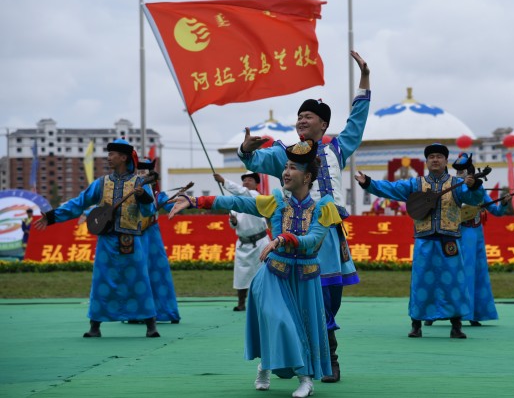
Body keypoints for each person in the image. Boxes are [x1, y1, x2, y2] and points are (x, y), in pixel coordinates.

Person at [237, 50, 370, 382]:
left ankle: (324, 349)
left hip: (326, 235)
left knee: (330, 296)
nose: (302, 121)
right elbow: (253, 162)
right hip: (291, 234)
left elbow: (357, 120)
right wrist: (247, 150)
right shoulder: (283, 154)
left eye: (309, 116)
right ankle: (319, 358)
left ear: (323, 124)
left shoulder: (336, 149)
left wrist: (365, 78)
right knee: (300, 295)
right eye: (299, 116)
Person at [169, 138, 337, 398]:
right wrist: (195, 202)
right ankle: (277, 369)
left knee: (301, 327)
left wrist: (283, 239)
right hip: (273, 275)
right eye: (286, 166)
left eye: (293, 168)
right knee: (280, 321)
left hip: (305, 278)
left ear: (307, 177)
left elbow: (313, 239)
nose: (286, 172)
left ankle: (299, 377)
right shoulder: (276, 202)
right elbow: (236, 203)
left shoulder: (324, 207)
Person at [355, 143, 486, 339]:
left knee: (454, 283)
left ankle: (456, 325)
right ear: (426, 161)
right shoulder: (415, 184)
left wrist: (475, 185)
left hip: (449, 241)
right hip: (424, 240)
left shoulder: (457, 185)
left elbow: (475, 199)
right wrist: (368, 183)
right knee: (421, 282)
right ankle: (416, 324)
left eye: (439, 157)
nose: (435, 159)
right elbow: (391, 188)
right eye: (431, 156)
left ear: (445, 161)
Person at [34, 139, 160, 338]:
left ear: (123, 157)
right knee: (102, 281)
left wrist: (143, 198)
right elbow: (79, 203)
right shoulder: (102, 183)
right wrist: (51, 216)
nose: (108, 158)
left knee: (138, 280)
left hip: (130, 240)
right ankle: (95, 326)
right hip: (106, 240)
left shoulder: (140, 183)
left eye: (112, 154)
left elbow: (149, 211)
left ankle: (151, 325)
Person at [453, 153, 511, 327]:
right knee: (456, 272)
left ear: (470, 174)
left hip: (474, 234)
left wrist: (505, 204)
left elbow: (497, 212)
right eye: (457, 173)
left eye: (462, 172)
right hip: (456, 233)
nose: (459, 176)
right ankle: (445, 312)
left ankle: (473, 313)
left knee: (476, 273)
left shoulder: (478, 191)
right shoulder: (452, 187)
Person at [214, 171, 270, 312]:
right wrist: (233, 221)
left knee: (262, 275)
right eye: (244, 180)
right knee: (241, 275)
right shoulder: (237, 202)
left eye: (250, 179)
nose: (246, 182)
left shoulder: (257, 197)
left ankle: (262, 303)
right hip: (243, 243)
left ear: (257, 184)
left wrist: (224, 181)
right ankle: (241, 303)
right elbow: (234, 224)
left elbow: (243, 192)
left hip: (260, 242)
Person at [137, 158, 181, 324]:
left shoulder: (157, 194)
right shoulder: (129, 190)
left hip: (152, 236)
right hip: (134, 235)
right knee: (137, 273)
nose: (140, 173)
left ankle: (167, 312)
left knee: (157, 272)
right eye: (138, 170)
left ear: (151, 173)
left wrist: (185, 202)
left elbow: (171, 206)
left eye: (144, 170)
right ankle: (137, 313)